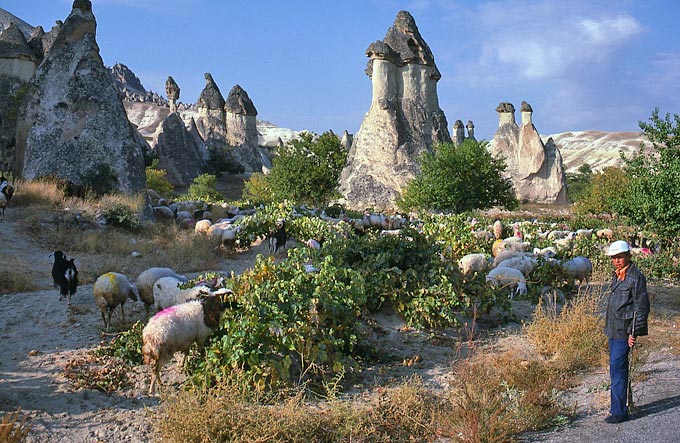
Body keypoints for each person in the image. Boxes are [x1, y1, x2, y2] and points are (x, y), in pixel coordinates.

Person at [604, 240, 650, 424]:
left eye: (619, 257)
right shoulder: (617, 275)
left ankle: (619, 412)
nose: (616, 261)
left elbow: (641, 308)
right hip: (613, 329)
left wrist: (634, 332)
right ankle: (622, 405)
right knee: (616, 369)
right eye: (614, 258)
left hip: (624, 332)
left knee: (618, 369)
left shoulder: (635, 278)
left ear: (628, 256)